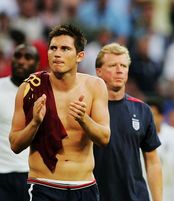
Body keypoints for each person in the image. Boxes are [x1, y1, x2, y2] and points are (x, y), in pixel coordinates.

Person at [9, 24, 111, 201]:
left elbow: (104, 138)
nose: (57, 53)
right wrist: (34, 123)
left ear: (80, 56)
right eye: (53, 48)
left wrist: (83, 119)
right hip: (43, 185)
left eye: (65, 49)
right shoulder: (30, 88)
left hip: (84, 186)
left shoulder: (95, 86)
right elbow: (15, 145)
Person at [94, 42, 162, 201]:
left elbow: (152, 161)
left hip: (135, 196)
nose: (119, 70)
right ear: (99, 71)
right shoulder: (86, 110)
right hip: (96, 196)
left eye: (123, 66)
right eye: (112, 65)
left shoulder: (142, 110)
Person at [0, 43, 39, 201]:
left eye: (28, 57)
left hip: (32, 174)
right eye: (17, 56)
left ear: (37, 64)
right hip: (1, 173)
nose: (21, 61)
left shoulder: (45, 93)